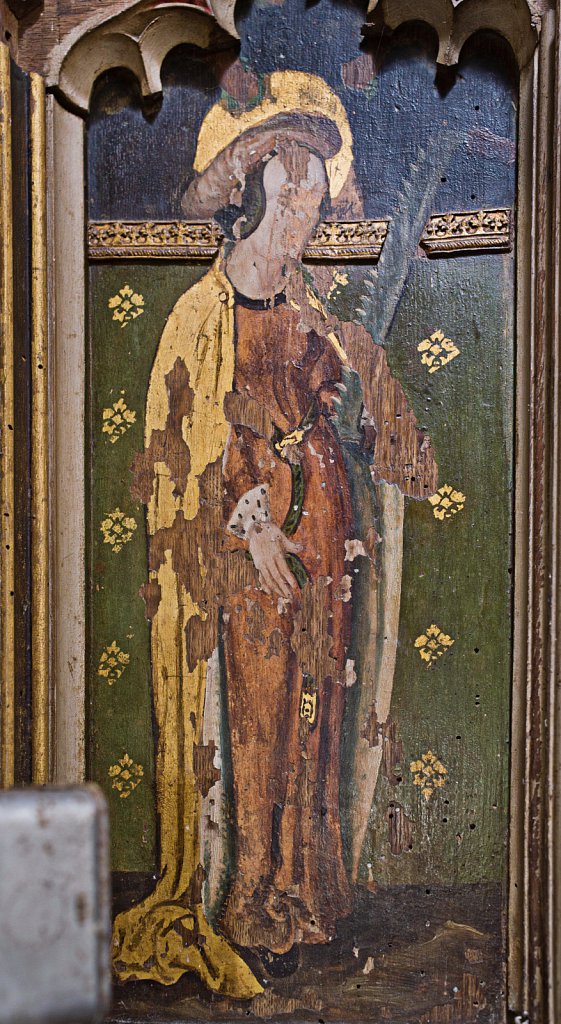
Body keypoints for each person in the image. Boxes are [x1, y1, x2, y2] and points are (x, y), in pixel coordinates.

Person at [112, 70, 438, 996]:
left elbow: (352, 398)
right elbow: (179, 458)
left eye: (312, 199)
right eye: (288, 197)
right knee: (253, 714)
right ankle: (248, 899)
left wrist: (381, 422)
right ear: (252, 198)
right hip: (243, 542)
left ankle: (305, 892)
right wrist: (248, 530)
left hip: (325, 523)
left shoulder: (312, 306)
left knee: (315, 708)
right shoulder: (198, 317)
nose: (302, 215)